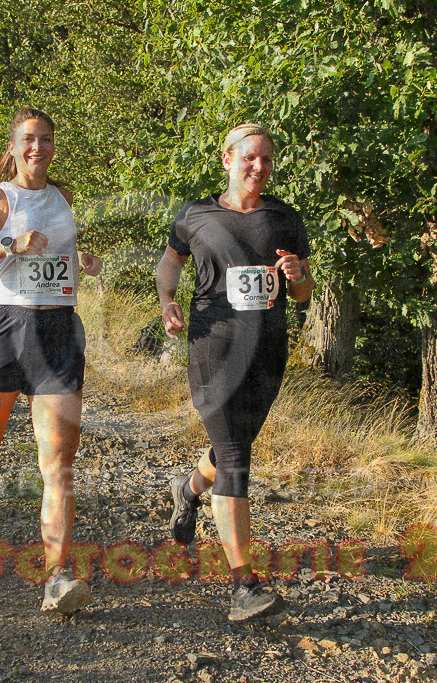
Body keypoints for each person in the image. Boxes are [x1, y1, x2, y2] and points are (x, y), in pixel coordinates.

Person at [0, 107, 103, 614]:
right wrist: (7, 245)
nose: (38, 148)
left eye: (46, 140)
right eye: (29, 140)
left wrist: (82, 260)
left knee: (58, 464)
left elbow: (58, 251)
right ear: (13, 147)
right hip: (6, 328)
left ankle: (57, 576)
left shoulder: (64, 197)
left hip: (58, 331)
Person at [157, 123, 312, 621]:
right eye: (249, 159)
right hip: (211, 346)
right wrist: (167, 300)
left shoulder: (284, 218)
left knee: (235, 448)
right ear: (227, 159)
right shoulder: (195, 214)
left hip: (268, 348)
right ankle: (244, 585)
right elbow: (170, 262)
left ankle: (187, 491)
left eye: (266, 160)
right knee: (234, 457)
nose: (259, 168)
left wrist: (298, 278)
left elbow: (304, 293)